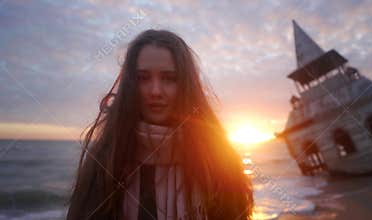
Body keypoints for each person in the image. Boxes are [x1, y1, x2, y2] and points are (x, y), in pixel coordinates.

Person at [66, 29, 254, 220]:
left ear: (186, 85)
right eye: (143, 78)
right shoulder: (106, 161)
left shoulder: (218, 162)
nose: (155, 91)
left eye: (169, 78)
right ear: (130, 85)